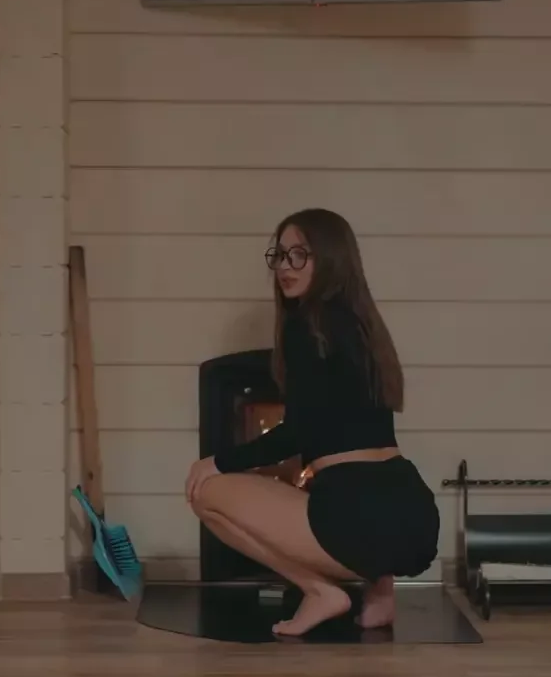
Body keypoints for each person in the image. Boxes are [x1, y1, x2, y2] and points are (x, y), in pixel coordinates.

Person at [185, 208, 441, 636]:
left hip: (356, 514)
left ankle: (320, 591)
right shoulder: (364, 327)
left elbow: (299, 433)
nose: (285, 267)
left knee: (206, 494)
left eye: (300, 255)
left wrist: (217, 461)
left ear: (330, 259)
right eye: (280, 255)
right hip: (413, 514)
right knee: (348, 490)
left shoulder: (308, 327)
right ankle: (381, 593)